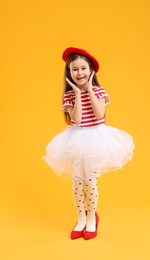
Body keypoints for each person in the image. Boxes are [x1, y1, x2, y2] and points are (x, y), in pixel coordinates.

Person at [42, 47, 135, 240]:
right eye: (74, 69)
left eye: (84, 68)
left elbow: (99, 114)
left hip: (96, 140)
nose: (79, 73)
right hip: (76, 139)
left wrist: (90, 89)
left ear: (91, 70)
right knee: (78, 182)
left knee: (90, 180)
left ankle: (92, 217)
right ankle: (81, 217)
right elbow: (76, 119)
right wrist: (76, 93)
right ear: (69, 73)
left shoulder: (99, 91)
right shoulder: (69, 96)